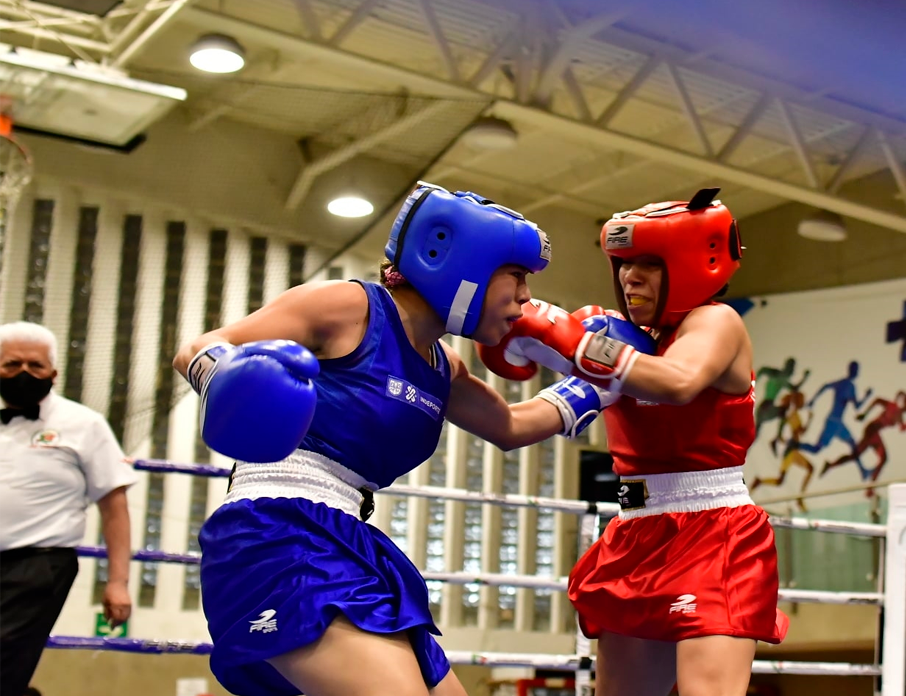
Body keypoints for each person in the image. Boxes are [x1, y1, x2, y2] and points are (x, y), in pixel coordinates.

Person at [171, 184, 653, 696]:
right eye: (515, 276)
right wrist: (234, 378)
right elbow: (199, 348)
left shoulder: (443, 367)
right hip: (277, 530)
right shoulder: (350, 306)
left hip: (350, 539)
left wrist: (604, 376)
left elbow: (511, 426)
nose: (526, 298)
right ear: (464, 261)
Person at [480, 188, 787, 696]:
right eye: (623, 263)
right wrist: (434, 371)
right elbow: (512, 428)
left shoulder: (715, 322)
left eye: (649, 263)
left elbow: (678, 381)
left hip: (714, 531)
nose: (630, 276)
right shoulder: (622, 348)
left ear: (693, 264)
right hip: (635, 535)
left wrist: (574, 342)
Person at [0, 321, 135, 696]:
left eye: (35, 365)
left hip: (38, 565)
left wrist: (118, 583)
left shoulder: (84, 424)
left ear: (53, 373)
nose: (23, 372)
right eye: (12, 364)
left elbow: (114, 505)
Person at [820, 391, 906, 494]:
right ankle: (869, 487)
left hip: (874, 432)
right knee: (868, 456)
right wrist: (865, 414)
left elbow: (902, 428)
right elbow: (877, 400)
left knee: (862, 456)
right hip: (871, 430)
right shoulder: (893, 406)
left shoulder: (899, 414)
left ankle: (832, 466)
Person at [749, 391, 816, 511]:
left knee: (780, 480)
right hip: (792, 450)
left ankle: (760, 481)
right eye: (801, 400)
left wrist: (782, 439)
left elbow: (782, 434)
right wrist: (810, 420)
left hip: (790, 450)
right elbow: (800, 431)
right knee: (810, 468)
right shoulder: (793, 415)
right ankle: (800, 499)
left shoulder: (789, 416)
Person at [799, 360, 872, 456]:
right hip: (834, 422)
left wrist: (813, 400)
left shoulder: (843, 384)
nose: (857, 372)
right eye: (856, 370)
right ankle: (795, 445)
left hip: (835, 422)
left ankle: (796, 445)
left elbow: (825, 386)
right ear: (852, 371)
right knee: (818, 448)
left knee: (851, 444)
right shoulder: (849, 386)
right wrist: (866, 396)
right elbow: (857, 406)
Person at [751, 358, 809, 451]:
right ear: (786, 367)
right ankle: (777, 437)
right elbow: (763, 370)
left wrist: (805, 377)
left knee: (756, 432)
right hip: (765, 407)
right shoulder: (777, 374)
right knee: (783, 412)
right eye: (790, 368)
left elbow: (795, 388)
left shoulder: (784, 381)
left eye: (792, 369)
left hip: (765, 408)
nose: (791, 372)